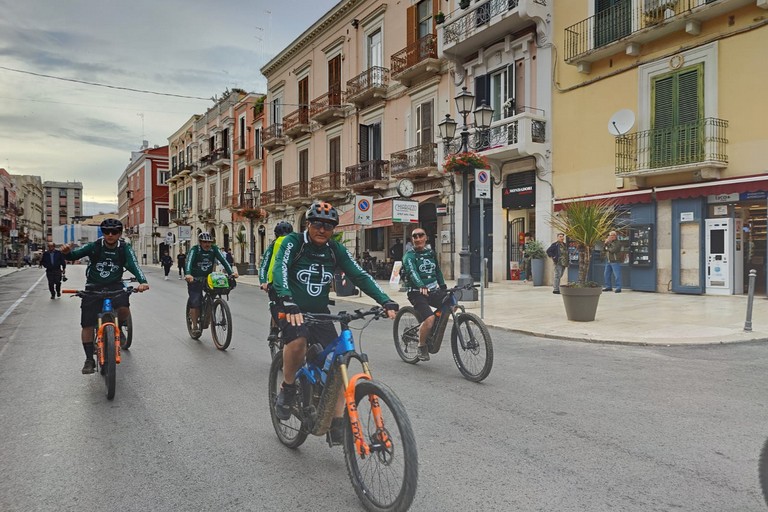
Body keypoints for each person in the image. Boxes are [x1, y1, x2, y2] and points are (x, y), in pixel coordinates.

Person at [272, 201, 398, 446]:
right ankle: (287, 390)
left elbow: (358, 274)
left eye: (329, 225)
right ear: (308, 224)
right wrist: (286, 299)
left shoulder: (334, 249)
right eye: (317, 223)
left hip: (319, 311)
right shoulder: (293, 243)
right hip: (289, 306)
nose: (322, 229)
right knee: (297, 341)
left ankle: (338, 422)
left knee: (337, 363)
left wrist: (385, 300)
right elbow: (280, 269)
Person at [60, 218, 149, 374]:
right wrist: (67, 252)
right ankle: (89, 359)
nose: (110, 235)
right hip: (93, 287)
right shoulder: (94, 246)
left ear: (120, 233)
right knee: (87, 324)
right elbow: (74, 256)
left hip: (115, 285)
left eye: (114, 232)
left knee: (124, 309)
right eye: (106, 231)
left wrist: (143, 281)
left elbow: (134, 264)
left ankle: (119, 328)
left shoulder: (124, 248)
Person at [400, 227, 447, 362]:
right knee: (429, 319)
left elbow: (437, 270)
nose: (418, 239)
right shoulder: (409, 256)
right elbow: (412, 271)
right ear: (412, 240)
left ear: (426, 238)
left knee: (451, 304)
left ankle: (429, 330)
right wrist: (421, 285)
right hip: (417, 293)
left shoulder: (430, 253)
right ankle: (421, 345)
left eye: (421, 236)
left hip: (432, 290)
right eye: (415, 236)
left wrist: (443, 286)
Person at [184, 232, 238, 337]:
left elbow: (223, 260)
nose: (207, 244)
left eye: (209, 242)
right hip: (195, 278)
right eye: (204, 242)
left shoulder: (214, 249)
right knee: (195, 300)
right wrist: (188, 274)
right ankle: (195, 326)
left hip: (209, 278)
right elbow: (189, 262)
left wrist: (231, 272)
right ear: (200, 242)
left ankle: (208, 315)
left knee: (213, 295)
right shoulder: (195, 250)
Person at [258, 220, 294, 344]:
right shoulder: (294, 244)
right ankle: (276, 329)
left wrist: (263, 281)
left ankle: (274, 330)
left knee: (275, 305)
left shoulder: (273, 245)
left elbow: (264, 265)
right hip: (290, 281)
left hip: (274, 282)